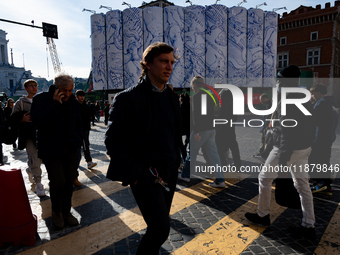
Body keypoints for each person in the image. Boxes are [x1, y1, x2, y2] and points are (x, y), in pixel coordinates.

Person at [105, 42, 182, 255]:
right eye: (163, 61)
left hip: (169, 171)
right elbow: (112, 141)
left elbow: (175, 131)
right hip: (146, 174)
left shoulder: (172, 97)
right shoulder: (127, 98)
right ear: (147, 64)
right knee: (160, 229)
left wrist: (178, 157)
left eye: (172, 62)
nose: (169, 67)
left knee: (158, 225)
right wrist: (138, 174)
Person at [245, 65, 317, 241]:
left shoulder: (287, 99)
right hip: (303, 148)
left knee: (264, 178)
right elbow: (309, 125)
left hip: (286, 149)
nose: (277, 82)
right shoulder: (304, 97)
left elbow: (287, 130)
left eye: (279, 79)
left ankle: (263, 215)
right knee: (303, 186)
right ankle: (309, 223)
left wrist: (284, 157)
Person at [31, 74, 82, 229]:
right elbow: (37, 120)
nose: (67, 94)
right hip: (51, 148)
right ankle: (57, 212)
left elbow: (78, 122)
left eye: (70, 90)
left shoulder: (72, 101)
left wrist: (77, 141)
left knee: (68, 181)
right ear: (56, 87)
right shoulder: (41, 99)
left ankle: (67, 212)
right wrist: (55, 105)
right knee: (58, 181)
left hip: (70, 148)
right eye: (64, 90)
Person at [178, 76, 225, 187]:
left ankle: (185, 175)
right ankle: (220, 179)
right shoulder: (210, 96)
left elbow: (196, 116)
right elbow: (215, 113)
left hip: (201, 130)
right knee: (214, 155)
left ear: (195, 85)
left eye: (192, 86)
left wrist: (197, 131)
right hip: (211, 129)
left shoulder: (196, 97)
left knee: (191, 153)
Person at [12, 79, 45, 196]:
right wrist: (22, 118)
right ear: (26, 88)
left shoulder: (41, 101)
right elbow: (12, 119)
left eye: (36, 85)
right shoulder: (20, 102)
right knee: (34, 157)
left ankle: (30, 170)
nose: (34, 87)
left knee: (40, 159)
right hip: (28, 136)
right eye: (31, 86)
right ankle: (39, 183)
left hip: (41, 134)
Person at [309, 84, 337, 194]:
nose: (312, 96)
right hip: (328, 137)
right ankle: (326, 187)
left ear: (319, 93)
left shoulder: (321, 104)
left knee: (316, 162)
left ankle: (320, 185)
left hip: (319, 138)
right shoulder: (331, 103)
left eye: (313, 93)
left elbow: (312, 121)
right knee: (324, 162)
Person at [73, 90, 97, 187]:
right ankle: (87, 161)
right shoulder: (74, 106)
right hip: (78, 129)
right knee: (81, 146)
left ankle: (88, 161)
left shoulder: (86, 106)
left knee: (85, 144)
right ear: (77, 96)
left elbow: (89, 116)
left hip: (85, 129)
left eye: (83, 96)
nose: (82, 97)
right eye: (80, 96)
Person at [215, 88, 242, 170]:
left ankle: (223, 163)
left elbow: (224, 109)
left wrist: (217, 117)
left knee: (219, 144)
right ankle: (237, 164)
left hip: (224, 124)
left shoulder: (224, 93)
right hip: (229, 123)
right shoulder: (228, 93)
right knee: (232, 144)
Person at [253, 93, 272, 163]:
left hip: (266, 126)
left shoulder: (269, 105)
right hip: (265, 125)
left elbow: (268, 117)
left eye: (261, 100)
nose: (260, 101)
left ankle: (263, 155)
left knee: (265, 140)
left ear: (265, 98)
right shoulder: (268, 104)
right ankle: (261, 153)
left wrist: (267, 126)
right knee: (264, 140)